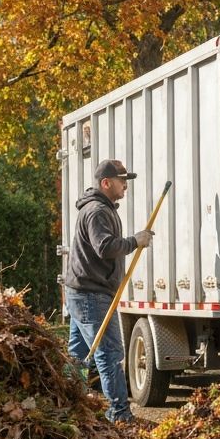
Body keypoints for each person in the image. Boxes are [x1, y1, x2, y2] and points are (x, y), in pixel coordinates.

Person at [63, 159, 153, 423]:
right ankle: (119, 414)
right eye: (122, 180)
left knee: (77, 355)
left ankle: (67, 402)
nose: (125, 185)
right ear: (106, 183)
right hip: (91, 294)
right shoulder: (97, 212)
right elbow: (104, 247)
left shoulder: (101, 209)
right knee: (109, 354)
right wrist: (135, 242)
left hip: (84, 291)